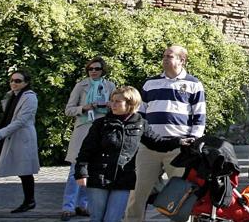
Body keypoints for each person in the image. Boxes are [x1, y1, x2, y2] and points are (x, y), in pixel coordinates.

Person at [74, 86, 186, 222]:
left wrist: (179, 142)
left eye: (117, 101)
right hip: (99, 177)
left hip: (123, 178)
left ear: (130, 104)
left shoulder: (140, 123)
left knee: (112, 219)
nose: (112, 104)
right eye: (112, 101)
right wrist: (81, 172)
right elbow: (86, 150)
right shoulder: (101, 123)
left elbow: (156, 142)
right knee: (97, 218)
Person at [125, 45, 205, 222]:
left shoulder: (194, 84)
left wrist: (194, 142)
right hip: (150, 145)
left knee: (181, 192)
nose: (165, 59)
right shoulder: (150, 83)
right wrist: (140, 136)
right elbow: (141, 114)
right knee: (137, 191)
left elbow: (199, 116)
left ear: (181, 60)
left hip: (179, 146)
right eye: (164, 56)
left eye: (169, 56)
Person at [63, 57, 116, 219]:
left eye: (97, 69)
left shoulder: (110, 86)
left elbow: (118, 107)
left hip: (102, 128)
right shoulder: (81, 86)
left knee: (93, 168)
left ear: (103, 70)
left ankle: (83, 204)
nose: (93, 71)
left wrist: (109, 105)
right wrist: (83, 107)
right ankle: (68, 206)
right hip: (83, 128)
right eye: (90, 69)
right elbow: (68, 110)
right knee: (75, 168)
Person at [0, 70, 39, 213]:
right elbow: (6, 118)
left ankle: (30, 201)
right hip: (5, 135)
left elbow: (21, 121)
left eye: (18, 81)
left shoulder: (30, 98)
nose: (13, 83)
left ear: (26, 83)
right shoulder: (11, 96)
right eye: (12, 80)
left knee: (24, 170)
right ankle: (29, 201)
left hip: (21, 137)